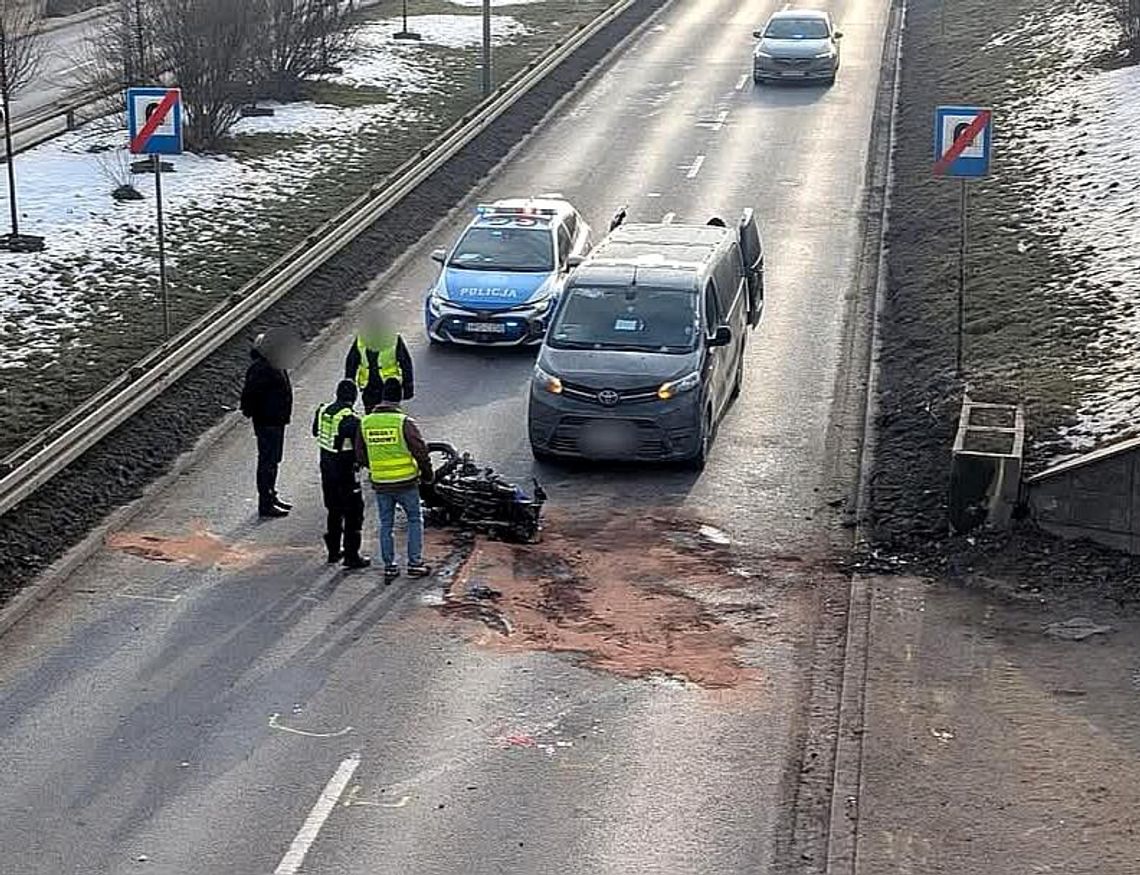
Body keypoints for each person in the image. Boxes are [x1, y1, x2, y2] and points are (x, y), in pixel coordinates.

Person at [356, 377, 433, 584]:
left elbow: (361, 455)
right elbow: (421, 452)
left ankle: (390, 566)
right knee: (415, 520)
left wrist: (377, 468)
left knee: (385, 525)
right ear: (399, 399)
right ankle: (415, 563)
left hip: (381, 484)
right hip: (406, 483)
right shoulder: (404, 422)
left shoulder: (365, 423)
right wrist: (427, 474)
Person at [312, 379, 371, 569]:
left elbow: (316, 432)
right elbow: (361, 449)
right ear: (354, 398)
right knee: (354, 514)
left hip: (327, 470)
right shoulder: (351, 421)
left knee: (334, 511)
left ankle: (333, 552)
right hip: (345, 473)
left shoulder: (323, 410)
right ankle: (352, 556)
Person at [240, 331, 294, 518]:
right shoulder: (261, 368)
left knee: (274, 460)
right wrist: (252, 413)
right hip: (267, 422)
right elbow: (249, 395)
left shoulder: (273, 364)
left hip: (276, 421)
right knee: (267, 462)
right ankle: (266, 503)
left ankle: (272, 496)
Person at [345, 313, 415, 411]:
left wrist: (408, 386)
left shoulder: (394, 339)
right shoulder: (361, 340)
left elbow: (406, 364)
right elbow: (352, 363)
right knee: (370, 416)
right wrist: (349, 385)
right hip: (369, 387)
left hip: (390, 387)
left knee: (389, 415)